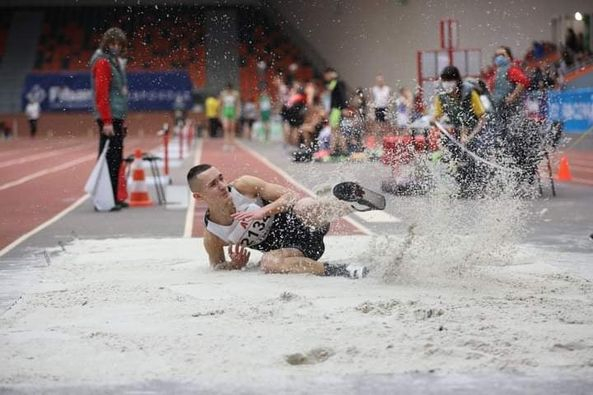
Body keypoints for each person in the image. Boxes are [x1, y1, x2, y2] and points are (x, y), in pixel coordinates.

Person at [187, 164, 386, 278]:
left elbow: (291, 196)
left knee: (304, 205)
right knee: (268, 262)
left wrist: (263, 211)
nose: (222, 185)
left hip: (302, 222)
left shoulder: (243, 186)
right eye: (213, 184)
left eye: (221, 178)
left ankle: (352, 205)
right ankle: (342, 270)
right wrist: (235, 264)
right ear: (198, 196)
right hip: (294, 251)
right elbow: (217, 266)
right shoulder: (213, 235)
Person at [431, 65, 487, 197]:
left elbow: (482, 118)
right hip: (458, 132)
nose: (447, 84)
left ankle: (478, 185)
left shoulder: (469, 93)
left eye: (450, 80)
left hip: (475, 130)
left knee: (475, 151)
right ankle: (461, 184)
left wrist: (469, 135)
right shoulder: (441, 97)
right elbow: (436, 116)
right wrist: (433, 120)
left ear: (457, 81)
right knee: (452, 152)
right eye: (444, 80)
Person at [90, 27, 129, 211]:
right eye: (112, 43)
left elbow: (118, 95)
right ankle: (104, 200)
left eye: (119, 44)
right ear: (106, 44)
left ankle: (113, 197)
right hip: (109, 118)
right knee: (108, 159)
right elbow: (102, 94)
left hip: (115, 116)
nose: (115, 47)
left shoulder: (113, 62)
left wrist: (122, 119)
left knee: (116, 158)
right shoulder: (103, 63)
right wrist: (106, 121)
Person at [324, 67, 348, 158]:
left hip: (336, 110)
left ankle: (333, 150)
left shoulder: (335, 82)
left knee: (334, 130)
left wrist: (344, 108)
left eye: (326, 75)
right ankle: (342, 149)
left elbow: (341, 96)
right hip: (335, 109)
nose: (325, 77)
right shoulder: (334, 83)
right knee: (337, 130)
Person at [219, 83, 241, 150]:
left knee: (232, 129)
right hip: (225, 111)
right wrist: (220, 114)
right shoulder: (223, 94)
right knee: (226, 128)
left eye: (229, 89)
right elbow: (221, 104)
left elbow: (237, 104)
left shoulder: (235, 94)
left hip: (232, 112)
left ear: (231, 89)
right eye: (227, 89)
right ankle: (226, 144)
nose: (228, 90)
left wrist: (237, 113)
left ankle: (232, 144)